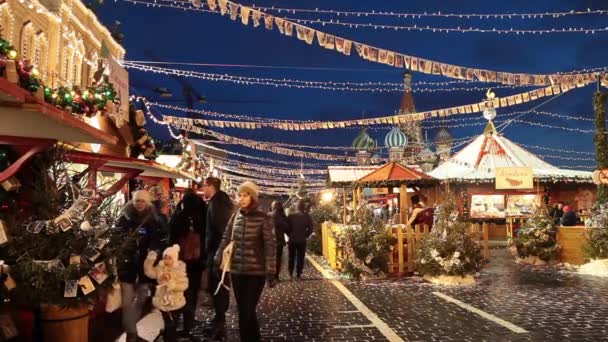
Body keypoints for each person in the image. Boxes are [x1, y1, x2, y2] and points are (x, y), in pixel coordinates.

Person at [215, 181, 276, 342]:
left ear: (253, 197)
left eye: (245, 195)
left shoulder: (264, 218)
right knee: (243, 311)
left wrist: (271, 271)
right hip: (237, 271)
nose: (241, 199)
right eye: (240, 195)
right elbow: (226, 238)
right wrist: (218, 258)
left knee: (248, 310)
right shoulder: (236, 216)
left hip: (256, 273)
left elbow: (270, 246)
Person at [115, 190, 167, 342]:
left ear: (148, 202)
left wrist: (154, 251)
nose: (139, 204)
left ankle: (132, 329)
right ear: (133, 201)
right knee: (126, 301)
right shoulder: (124, 217)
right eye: (137, 201)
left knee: (142, 296)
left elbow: (159, 239)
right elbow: (117, 237)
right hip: (127, 263)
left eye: (143, 201)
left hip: (145, 265)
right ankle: (131, 334)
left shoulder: (154, 219)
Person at [168, 188, 206, 340]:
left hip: (179, 262)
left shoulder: (179, 217)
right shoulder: (202, 218)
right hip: (196, 264)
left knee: (176, 293)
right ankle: (188, 328)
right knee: (191, 295)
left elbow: (171, 239)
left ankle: (172, 327)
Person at [202, 177, 234, 339]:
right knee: (218, 288)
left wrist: (214, 253)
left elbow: (220, 232)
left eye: (204, 186)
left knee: (219, 288)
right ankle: (218, 323)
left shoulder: (217, 204)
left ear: (211, 186)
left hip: (217, 254)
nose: (203, 188)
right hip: (218, 253)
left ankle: (219, 325)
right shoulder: (220, 201)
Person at [144, 244, 189, 342]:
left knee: (171, 325)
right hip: (162, 302)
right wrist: (150, 260)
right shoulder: (160, 268)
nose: (167, 261)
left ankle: (170, 338)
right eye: (165, 258)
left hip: (175, 302)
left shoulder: (179, 270)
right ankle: (168, 336)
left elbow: (184, 285)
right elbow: (149, 272)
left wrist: (172, 285)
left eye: (170, 258)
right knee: (167, 324)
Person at [287, 200, 313, 279]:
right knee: (300, 257)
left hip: (292, 240)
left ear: (296, 207)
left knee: (291, 256)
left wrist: (290, 235)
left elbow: (286, 227)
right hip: (302, 240)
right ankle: (298, 273)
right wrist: (306, 236)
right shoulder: (307, 216)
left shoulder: (291, 215)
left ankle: (290, 272)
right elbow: (311, 228)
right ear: (303, 207)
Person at [270, 201, 289, 280]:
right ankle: (276, 276)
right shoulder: (283, 217)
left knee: (270, 258)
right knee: (278, 258)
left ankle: (270, 275)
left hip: (270, 241)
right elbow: (287, 228)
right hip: (279, 241)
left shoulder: (268, 215)